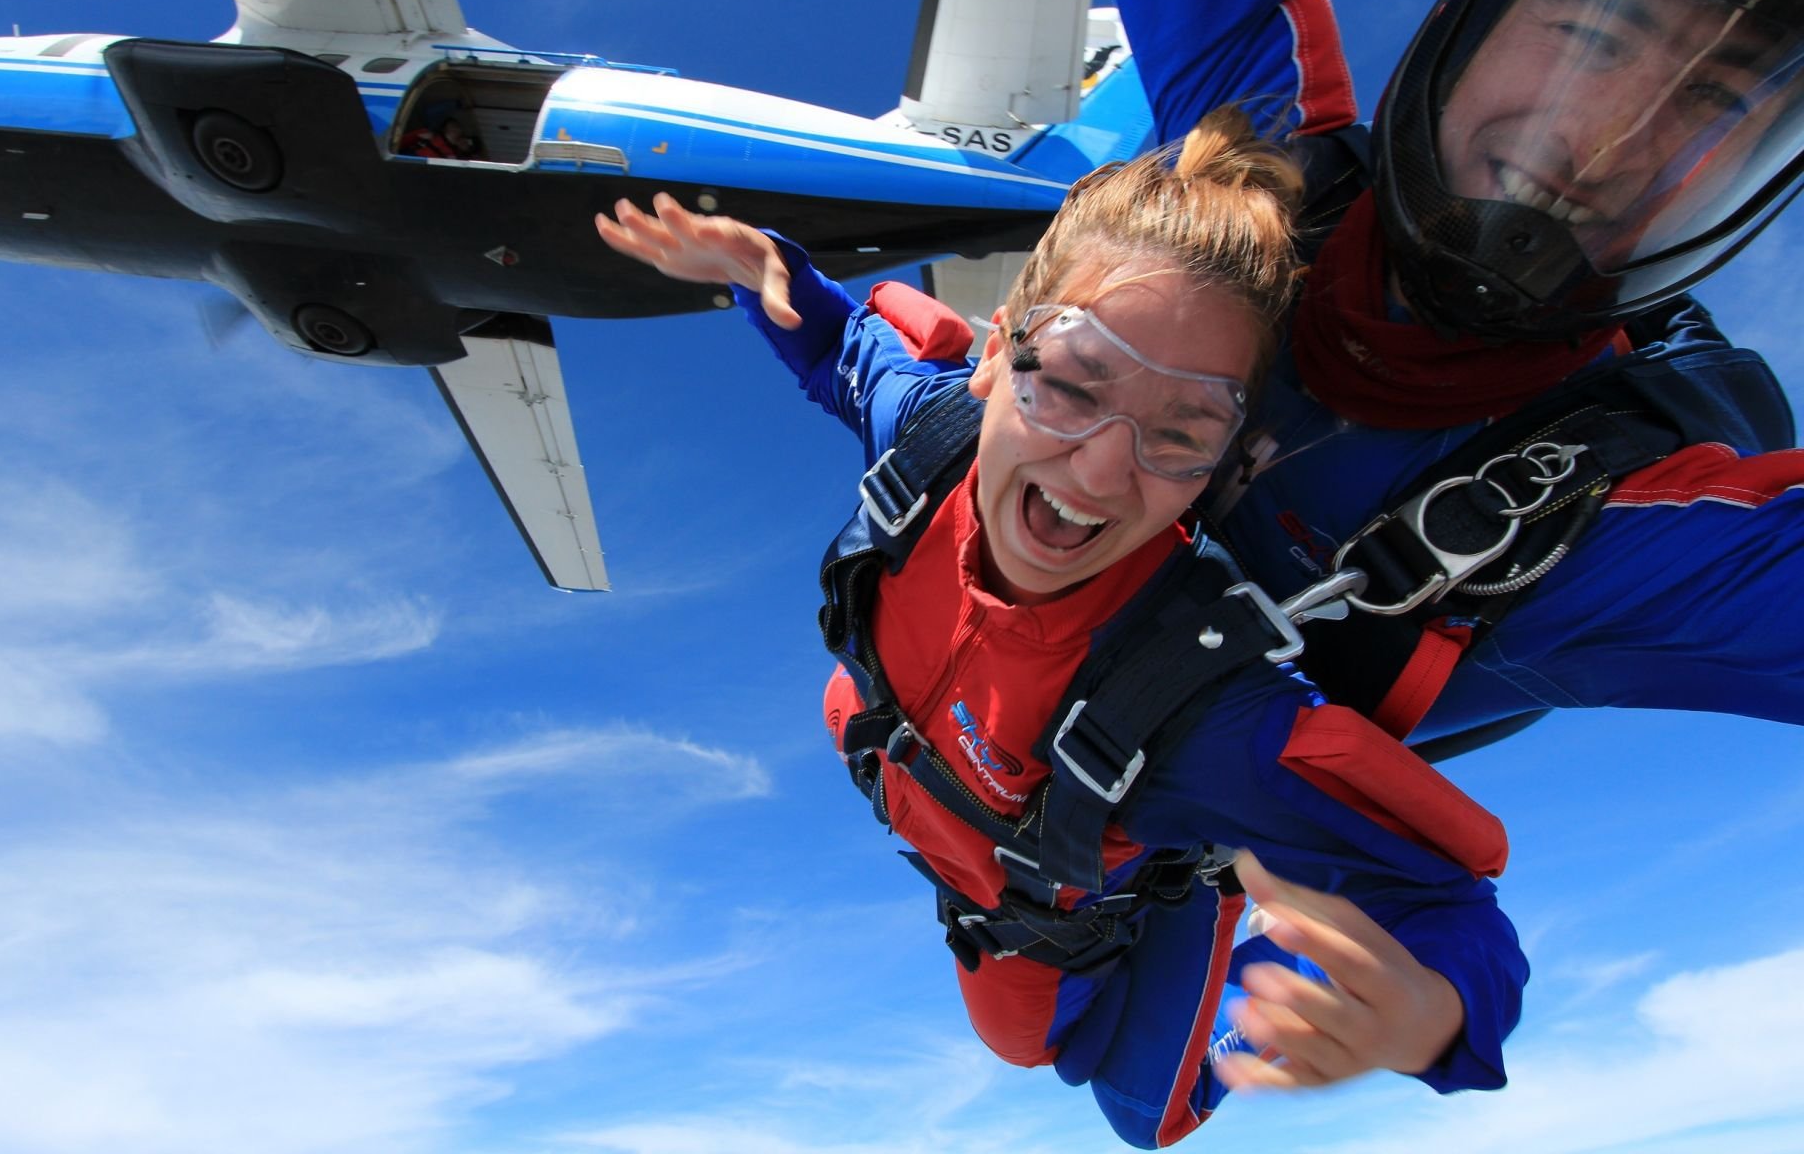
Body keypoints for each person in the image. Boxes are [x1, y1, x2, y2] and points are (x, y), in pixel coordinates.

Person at [597, 109, 1528, 1148]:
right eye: (1074, 383)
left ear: (1223, 463)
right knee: (1016, 1037)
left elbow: (1451, 897)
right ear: (996, 353)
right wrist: (763, 270)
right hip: (976, 858)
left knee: (1141, 1112)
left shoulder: (1203, 708)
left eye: (1182, 435)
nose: (1100, 468)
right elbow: (843, 351)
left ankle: (1211, 874)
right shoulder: (932, 437)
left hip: (1048, 895)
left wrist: (1433, 1010)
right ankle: (1179, 858)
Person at [1091, 0, 1804, 750]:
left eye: (1714, 102)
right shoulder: (1255, 164)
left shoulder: (1620, 533)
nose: (1602, 142)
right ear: (1467, 23)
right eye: (1590, 35)